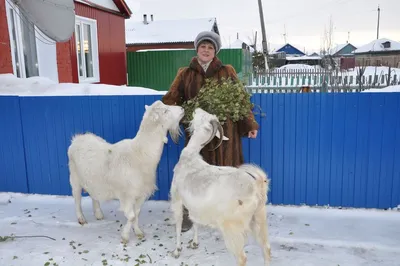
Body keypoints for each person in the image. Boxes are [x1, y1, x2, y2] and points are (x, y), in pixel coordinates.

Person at [161, 30, 259, 232]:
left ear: (215, 51)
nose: (206, 50)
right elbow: (171, 100)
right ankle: (190, 213)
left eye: (210, 47)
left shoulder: (227, 71)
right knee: (194, 174)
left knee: (227, 173)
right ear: (197, 49)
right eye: (203, 46)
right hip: (198, 134)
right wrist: (178, 114)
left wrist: (250, 125)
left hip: (225, 132)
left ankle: (232, 213)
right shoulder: (185, 73)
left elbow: (240, 99)